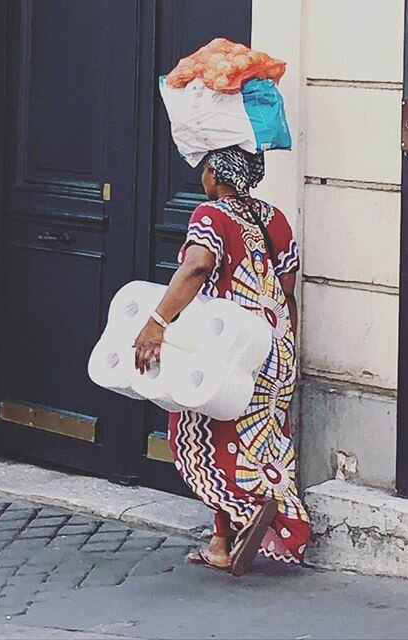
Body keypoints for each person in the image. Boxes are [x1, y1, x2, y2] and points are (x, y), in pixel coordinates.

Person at [134, 146, 311, 576]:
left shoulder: (211, 215)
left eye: (205, 168)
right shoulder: (275, 218)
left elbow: (197, 268)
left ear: (215, 173)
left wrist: (157, 321)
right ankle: (220, 541)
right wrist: (288, 348)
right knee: (257, 439)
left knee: (204, 437)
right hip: (275, 347)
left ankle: (258, 507)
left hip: (229, 349)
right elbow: (287, 289)